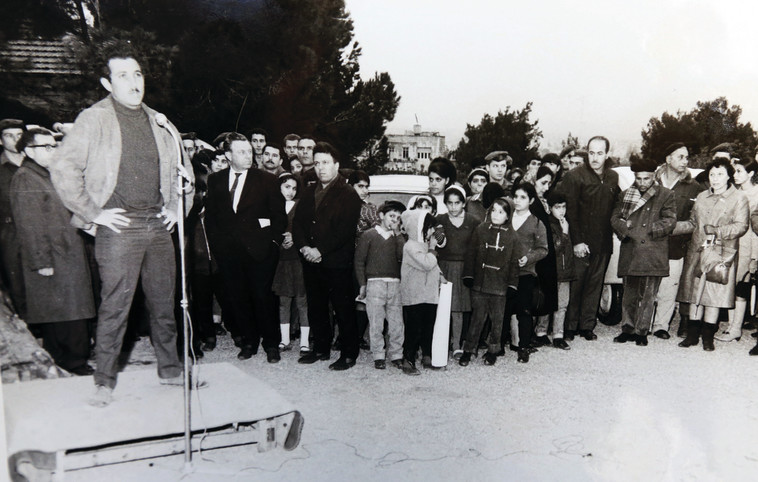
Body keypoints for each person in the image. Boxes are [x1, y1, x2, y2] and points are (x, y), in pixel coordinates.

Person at [50, 42, 194, 407]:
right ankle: (103, 381)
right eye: (123, 76)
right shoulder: (93, 118)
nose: (134, 82)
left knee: (165, 304)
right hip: (118, 228)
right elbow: (63, 167)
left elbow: (185, 172)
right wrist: (92, 212)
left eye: (138, 74)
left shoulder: (160, 121)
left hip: (158, 226)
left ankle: (171, 369)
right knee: (116, 306)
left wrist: (178, 207)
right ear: (106, 82)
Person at [10, 127, 96, 376]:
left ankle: (68, 360)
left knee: (67, 312)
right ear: (28, 150)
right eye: (46, 147)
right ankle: (72, 362)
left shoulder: (45, 174)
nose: (53, 151)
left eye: (54, 146)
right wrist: (41, 262)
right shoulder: (26, 177)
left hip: (66, 255)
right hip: (54, 259)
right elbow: (29, 224)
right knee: (66, 313)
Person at [204, 133, 286, 363]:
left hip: (260, 252)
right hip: (229, 254)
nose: (249, 155)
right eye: (242, 152)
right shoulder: (216, 180)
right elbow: (211, 218)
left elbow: (278, 218)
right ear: (228, 155)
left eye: (250, 151)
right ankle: (249, 342)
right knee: (238, 298)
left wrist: (273, 244)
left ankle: (271, 344)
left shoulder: (266, 180)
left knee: (263, 298)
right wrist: (218, 248)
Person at [293, 142, 362, 370]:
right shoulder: (309, 190)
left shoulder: (348, 193)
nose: (321, 168)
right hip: (311, 261)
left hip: (336, 262)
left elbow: (344, 231)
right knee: (316, 306)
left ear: (336, 165)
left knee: (342, 308)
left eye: (325, 163)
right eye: (317, 163)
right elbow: (299, 223)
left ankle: (349, 354)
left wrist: (319, 251)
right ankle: (321, 348)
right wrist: (304, 247)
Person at [675, 158, 749, 351]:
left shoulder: (738, 198)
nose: (715, 179)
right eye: (712, 175)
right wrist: (673, 227)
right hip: (698, 251)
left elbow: (742, 226)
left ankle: (708, 338)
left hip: (721, 252)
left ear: (729, 176)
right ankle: (691, 336)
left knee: (714, 296)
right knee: (694, 294)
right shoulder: (701, 197)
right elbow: (693, 222)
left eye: (720, 174)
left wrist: (718, 231)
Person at [558, 136, 620, 341]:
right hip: (581, 243)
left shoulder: (612, 177)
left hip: (603, 243)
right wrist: (576, 241)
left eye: (600, 153)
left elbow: (617, 205)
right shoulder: (575, 176)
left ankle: (587, 325)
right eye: (591, 152)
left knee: (595, 285)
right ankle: (569, 326)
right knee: (576, 286)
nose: (595, 157)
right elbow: (571, 211)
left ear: (607, 154)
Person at [610, 157, 677, 346]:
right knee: (629, 294)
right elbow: (615, 218)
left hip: (652, 252)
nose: (642, 183)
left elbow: (670, 220)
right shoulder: (625, 195)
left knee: (648, 296)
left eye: (646, 179)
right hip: (631, 251)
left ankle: (642, 332)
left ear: (653, 176)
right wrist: (624, 227)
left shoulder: (666, 195)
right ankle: (627, 329)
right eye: (638, 179)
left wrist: (648, 230)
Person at [651, 143, 705, 339]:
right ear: (668, 159)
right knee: (648, 284)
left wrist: (669, 228)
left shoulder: (693, 188)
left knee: (669, 286)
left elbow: (694, 222)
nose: (685, 162)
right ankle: (643, 323)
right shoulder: (650, 180)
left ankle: (661, 326)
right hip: (648, 244)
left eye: (687, 157)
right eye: (680, 157)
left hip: (675, 246)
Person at [459, 198, 521, 366]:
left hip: (500, 286)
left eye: (501, 212)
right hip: (480, 282)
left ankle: (493, 350)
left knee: (497, 320)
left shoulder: (513, 236)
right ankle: (468, 350)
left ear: (508, 216)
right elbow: (471, 253)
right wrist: (469, 275)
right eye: (493, 210)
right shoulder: (480, 230)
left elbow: (515, 263)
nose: (495, 215)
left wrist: (512, 284)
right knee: (477, 318)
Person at [354, 200, 406, 370]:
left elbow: (401, 257)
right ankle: (378, 354)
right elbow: (359, 261)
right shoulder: (369, 235)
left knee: (396, 322)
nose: (394, 220)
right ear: (381, 216)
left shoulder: (399, 238)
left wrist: (398, 235)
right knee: (376, 322)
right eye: (392, 216)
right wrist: (362, 283)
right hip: (374, 283)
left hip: (395, 284)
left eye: (398, 218)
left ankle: (397, 354)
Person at [715, 157, 758, 342]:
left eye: (740, 171)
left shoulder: (756, 195)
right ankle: (732, 327)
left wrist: (755, 257)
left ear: (751, 173)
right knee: (730, 284)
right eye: (735, 171)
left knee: (741, 285)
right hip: (732, 245)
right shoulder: (734, 193)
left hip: (748, 246)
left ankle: (736, 328)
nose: (736, 175)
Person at [435, 185, 478, 359]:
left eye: (457, 203)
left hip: (464, 268)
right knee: (443, 307)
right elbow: (437, 243)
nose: (453, 207)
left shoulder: (473, 221)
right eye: (449, 203)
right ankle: (441, 342)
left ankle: (457, 344)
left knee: (459, 309)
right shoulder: (439, 219)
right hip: (444, 266)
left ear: (463, 203)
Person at [399, 208, 442, 375]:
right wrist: (432, 249)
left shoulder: (424, 244)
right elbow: (427, 263)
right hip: (415, 295)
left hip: (429, 294)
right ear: (418, 227)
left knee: (428, 326)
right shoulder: (410, 246)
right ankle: (408, 359)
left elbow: (434, 266)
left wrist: (441, 276)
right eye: (429, 227)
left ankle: (427, 355)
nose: (432, 231)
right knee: (414, 328)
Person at [508, 183, 548, 362]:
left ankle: (524, 346)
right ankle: (499, 344)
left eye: (523, 197)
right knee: (504, 308)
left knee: (524, 310)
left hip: (525, 273)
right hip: (504, 272)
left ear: (531, 200)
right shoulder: (506, 217)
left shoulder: (536, 223)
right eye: (515, 196)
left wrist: (529, 258)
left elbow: (543, 249)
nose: (517, 201)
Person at [272, 173, 310, 354]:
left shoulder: (300, 206)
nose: (290, 191)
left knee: (302, 300)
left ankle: (304, 341)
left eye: (294, 188)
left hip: (297, 259)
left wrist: (295, 237)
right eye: (287, 187)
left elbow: (306, 227)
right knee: (284, 301)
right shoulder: (272, 205)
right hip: (281, 259)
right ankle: (284, 339)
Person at [0, 118, 27, 318]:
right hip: (10, 231)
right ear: (1, 141)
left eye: (19, 135)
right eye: (9, 136)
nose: (15, 140)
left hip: (41, 228)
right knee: (17, 280)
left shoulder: (37, 162)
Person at [530, 167, 559, 347]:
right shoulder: (531, 202)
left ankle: (540, 331)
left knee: (544, 292)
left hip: (546, 253)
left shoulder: (544, 201)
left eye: (549, 183)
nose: (546, 187)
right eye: (543, 183)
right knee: (534, 293)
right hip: (536, 254)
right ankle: (531, 332)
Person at [544, 192, 575, 349]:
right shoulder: (548, 225)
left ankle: (558, 334)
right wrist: (564, 233)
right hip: (551, 271)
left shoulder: (566, 223)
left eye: (563, 207)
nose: (561, 211)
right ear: (550, 209)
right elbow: (555, 248)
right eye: (557, 207)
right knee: (547, 303)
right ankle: (541, 333)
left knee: (562, 304)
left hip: (565, 271)